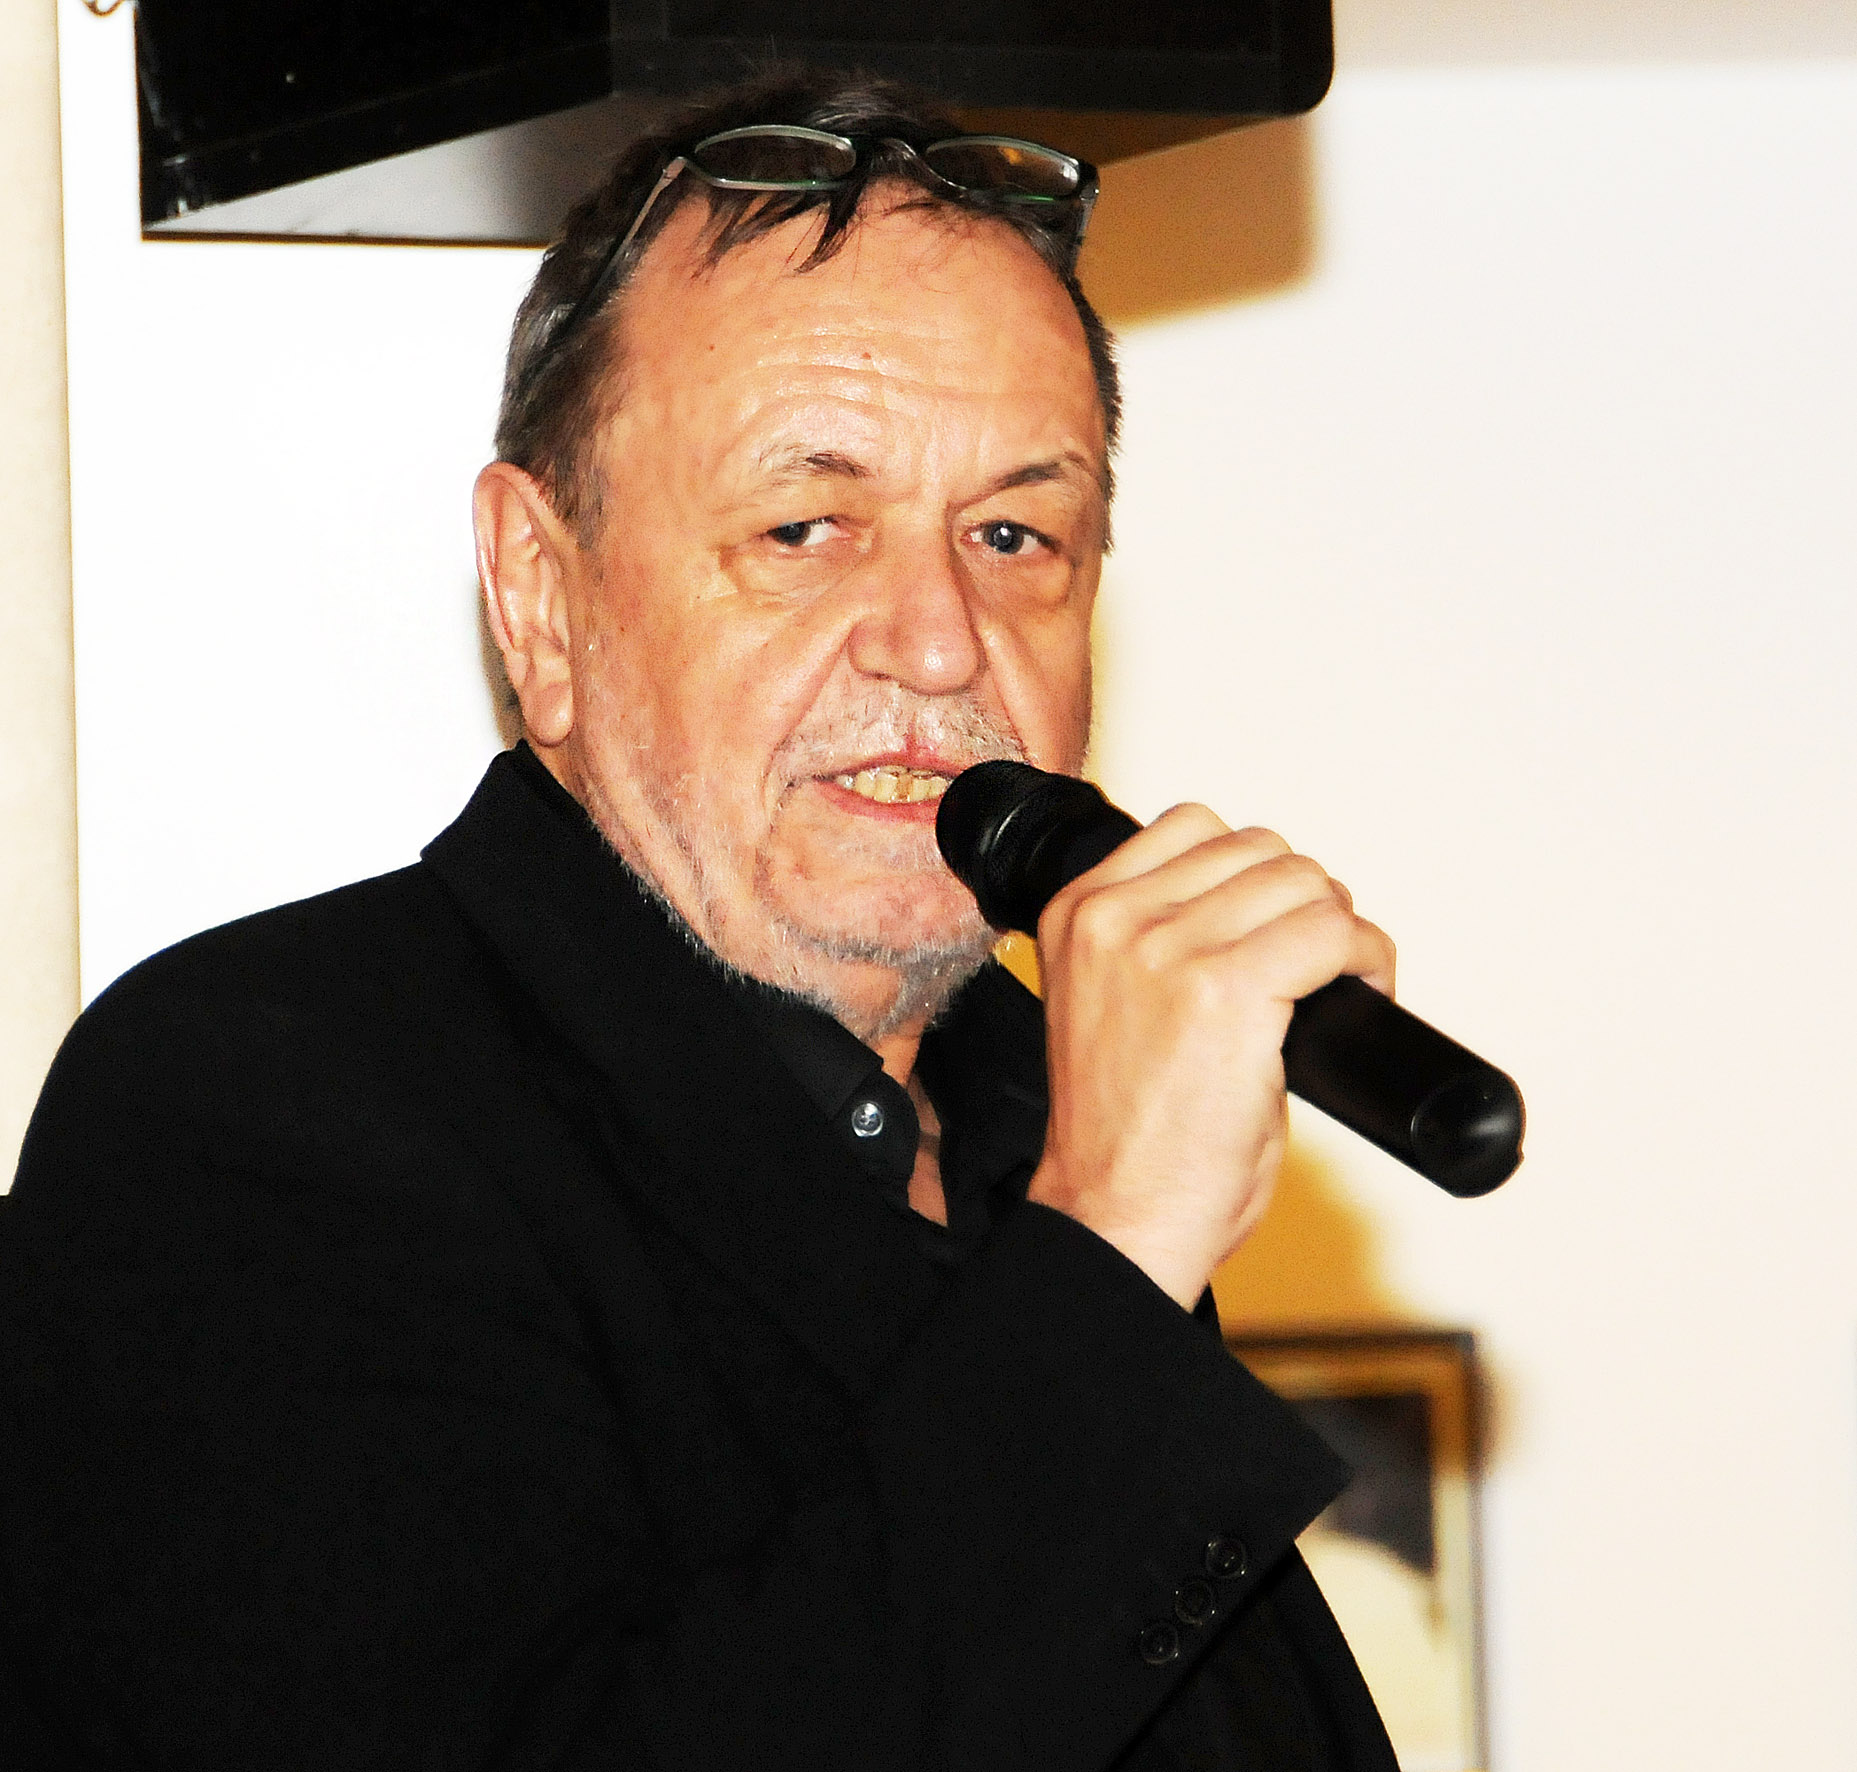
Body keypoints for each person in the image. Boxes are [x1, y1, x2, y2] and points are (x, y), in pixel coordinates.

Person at [0, 69, 1401, 1770]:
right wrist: (1106, 1247)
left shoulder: (1043, 1106)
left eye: (1014, 533)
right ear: (541, 597)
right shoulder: (259, 1106)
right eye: (804, 526)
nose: (939, 640)